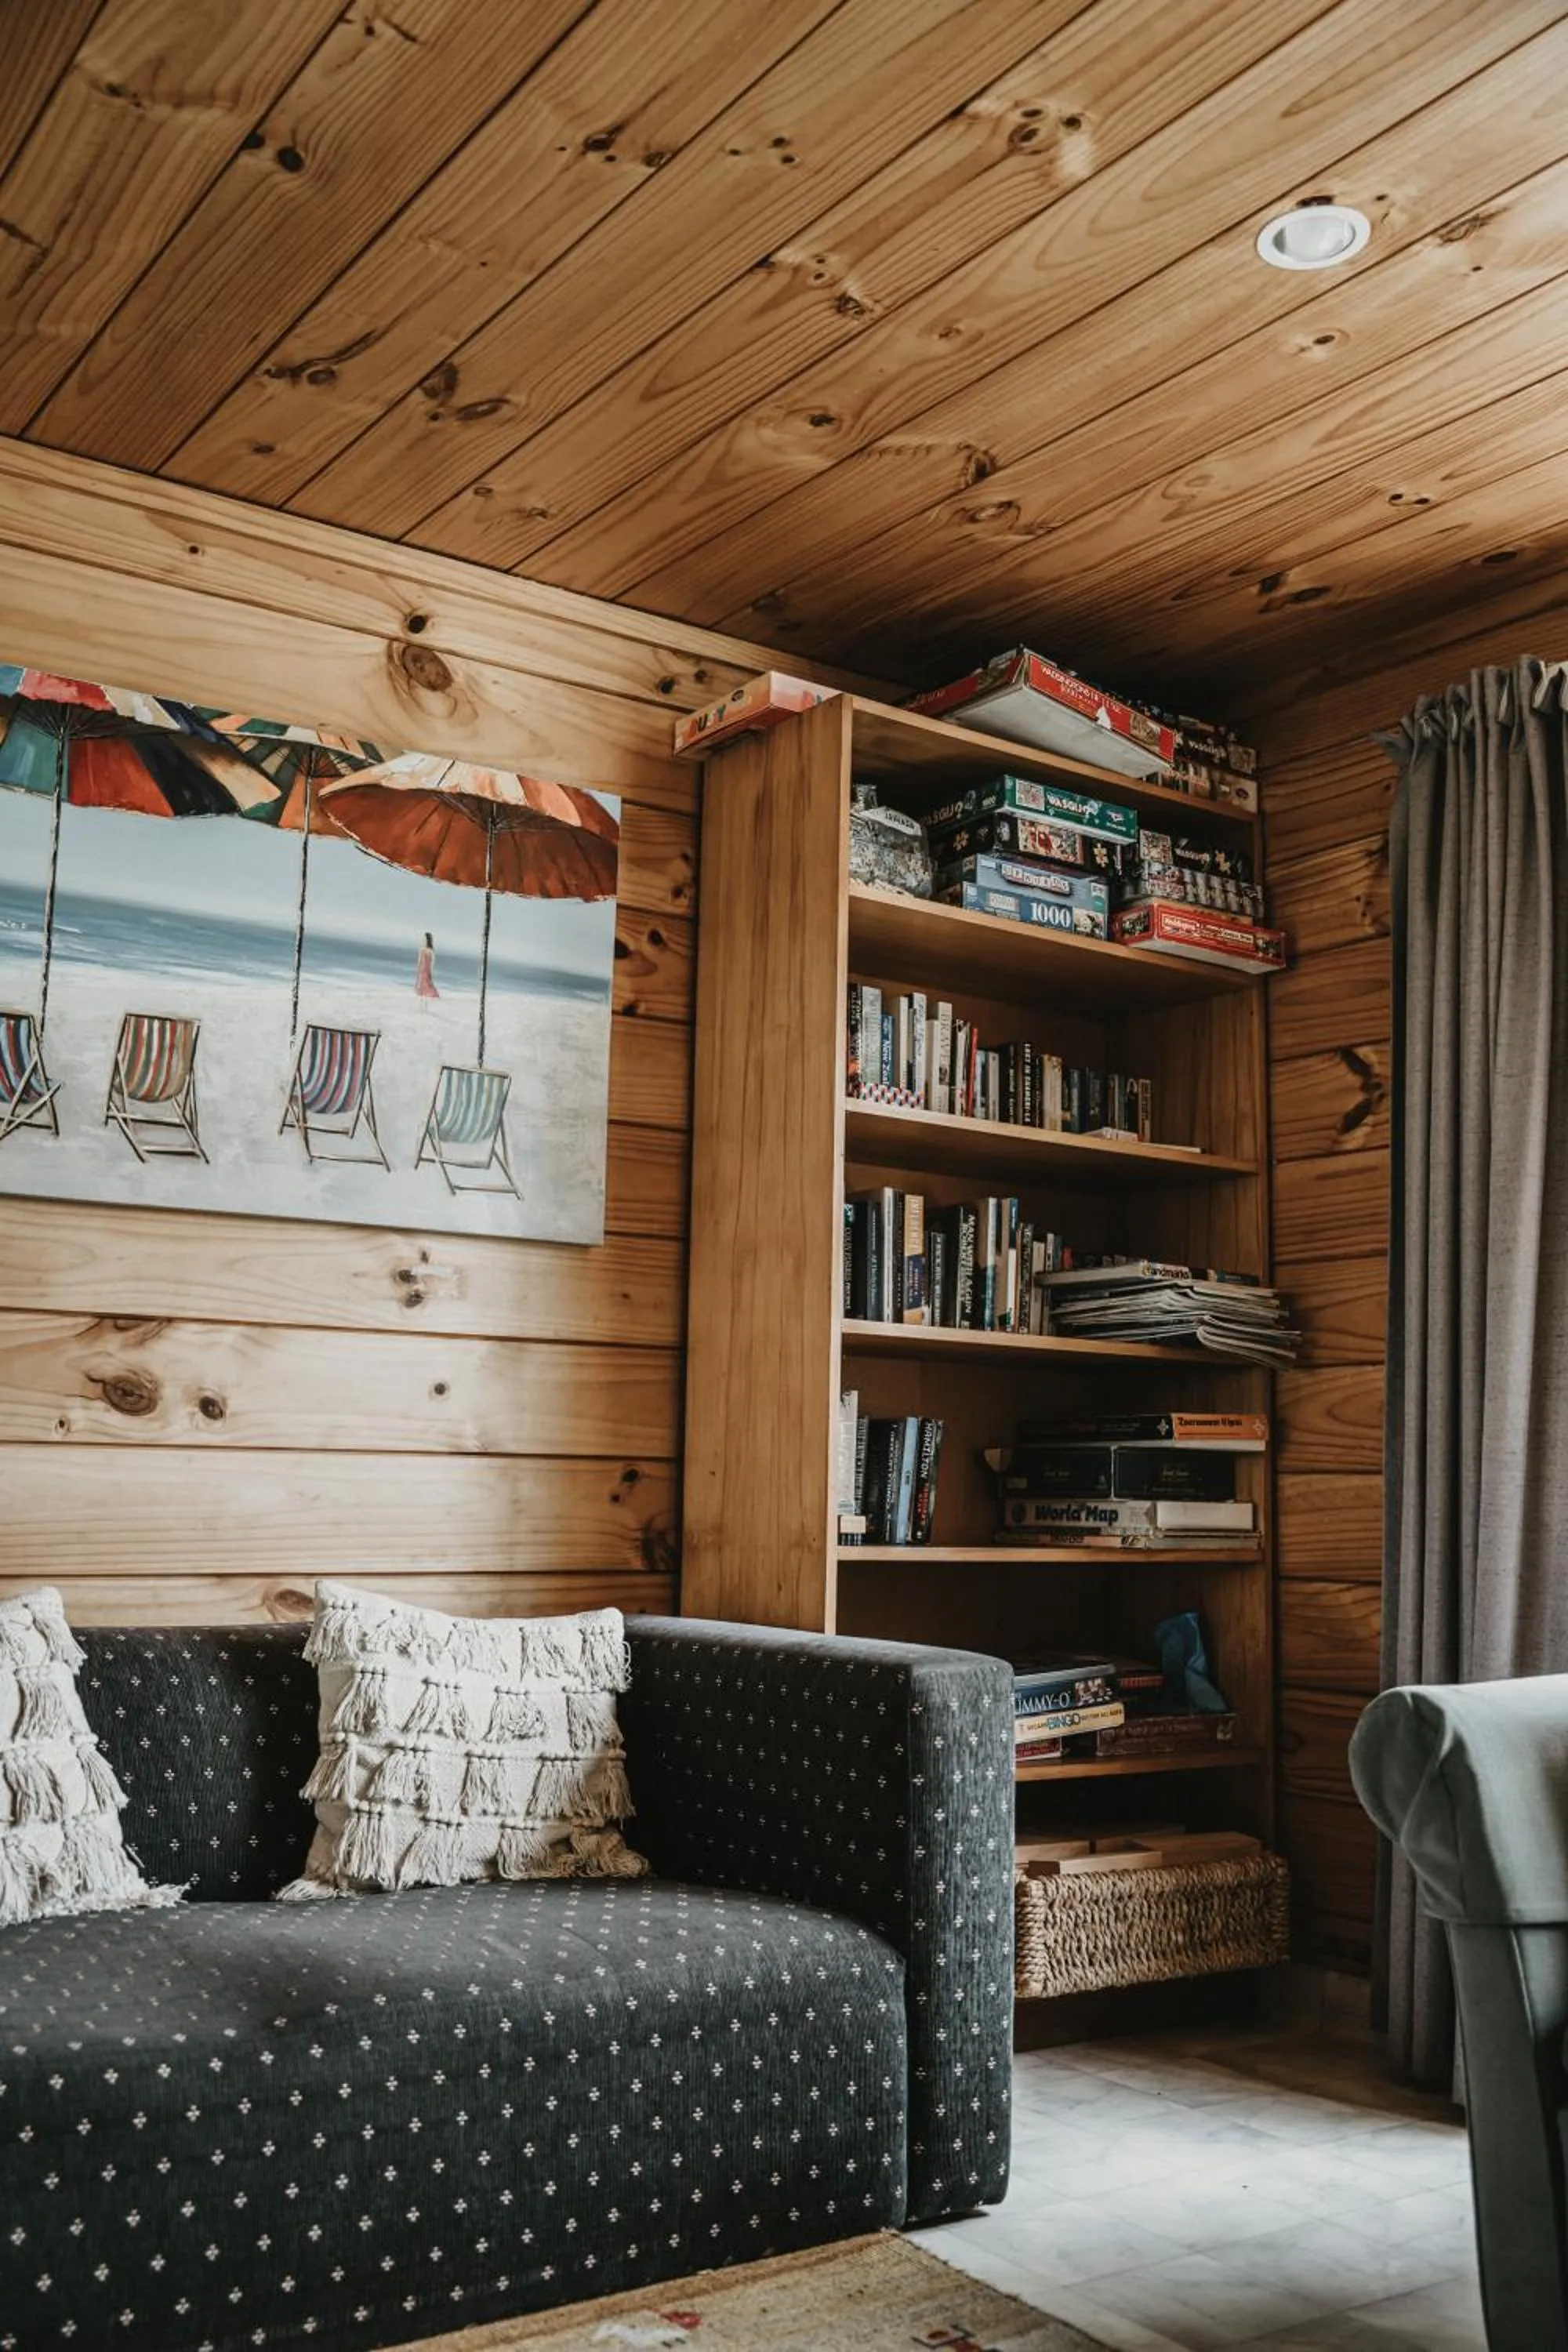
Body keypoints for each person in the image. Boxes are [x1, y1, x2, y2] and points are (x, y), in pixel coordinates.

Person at [415, 931, 439, 1005]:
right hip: (422, 970)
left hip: (426, 970)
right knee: (421, 984)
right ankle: (422, 1000)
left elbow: (432, 962)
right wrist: (418, 970)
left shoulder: (429, 951)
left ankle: (429, 998)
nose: (423, 940)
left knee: (427, 984)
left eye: (424, 939)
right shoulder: (422, 950)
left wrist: (431, 972)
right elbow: (419, 961)